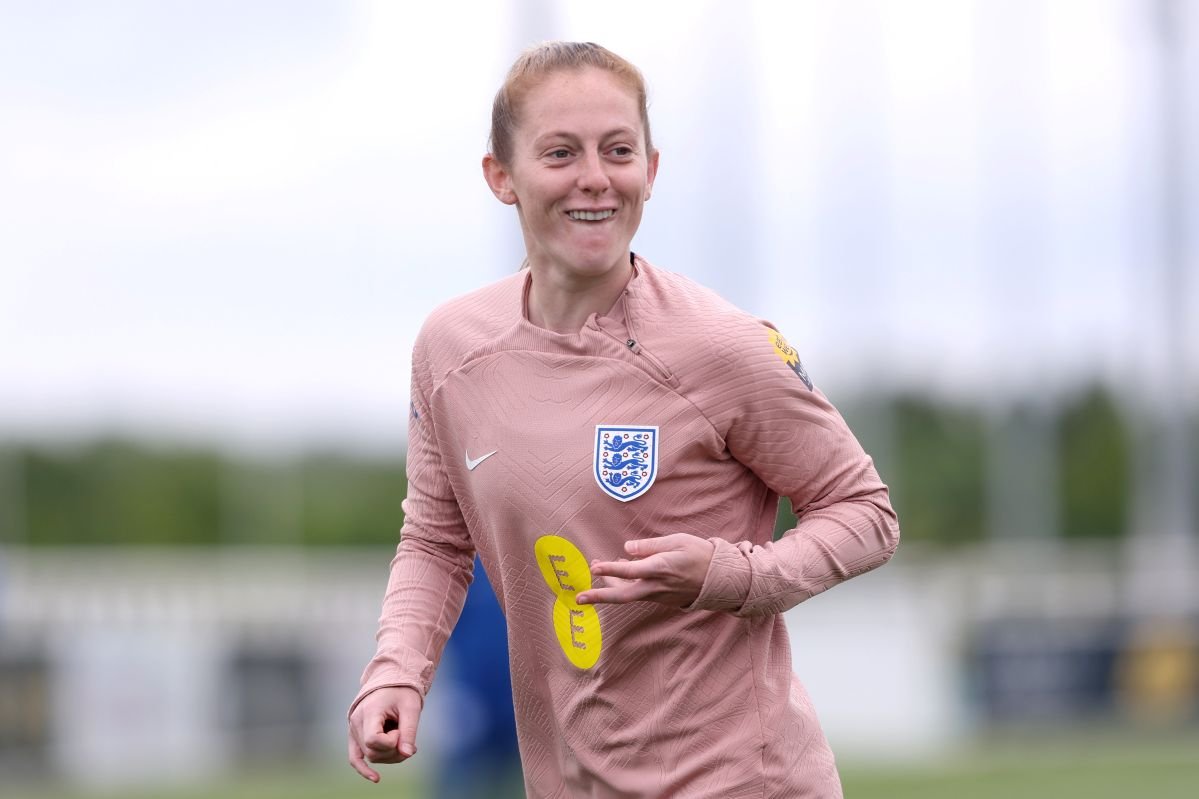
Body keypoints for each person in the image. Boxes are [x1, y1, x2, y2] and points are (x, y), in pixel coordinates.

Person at [347, 41, 899, 798]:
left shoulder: (720, 344)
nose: (595, 179)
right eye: (560, 153)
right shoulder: (451, 349)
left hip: (742, 782)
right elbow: (436, 539)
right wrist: (397, 673)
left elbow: (866, 512)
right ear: (500, 177)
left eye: (617, 150)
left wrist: (731, 574)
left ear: (652, 169)